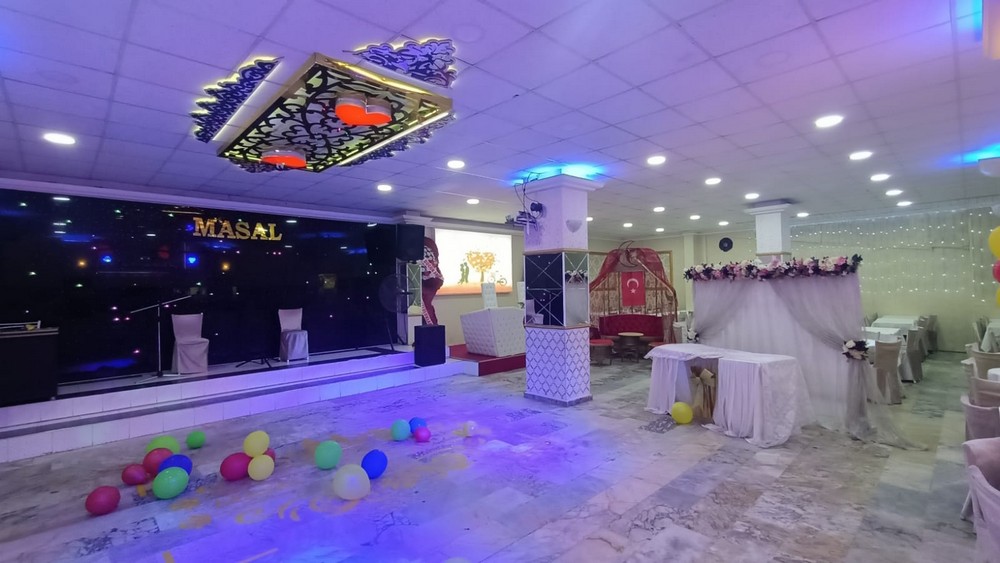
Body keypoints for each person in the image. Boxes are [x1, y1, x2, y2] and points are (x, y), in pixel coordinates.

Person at [421, 237, 444, 325]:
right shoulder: (429, 243)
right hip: (432, 280)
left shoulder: (427, 243)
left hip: (429, 282)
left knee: (425, 307)